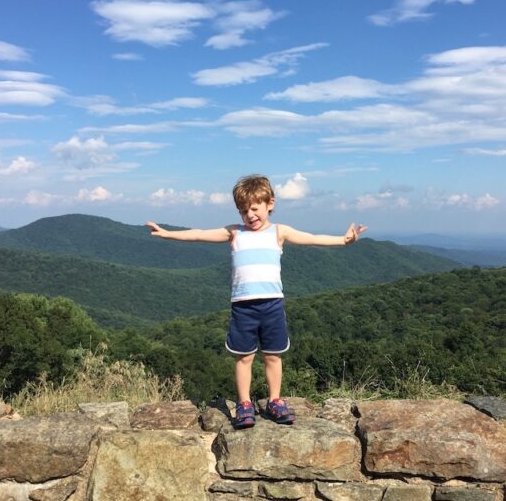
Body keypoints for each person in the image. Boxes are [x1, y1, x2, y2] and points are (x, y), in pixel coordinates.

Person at [146, 174, 366, 428]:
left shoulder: (279, 232)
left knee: (273, 356)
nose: (249, 215)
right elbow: (199, 234)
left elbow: (313, 238)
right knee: (244, 357)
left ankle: (274, 400)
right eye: (243, 210)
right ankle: (245, 404)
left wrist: (344, 240)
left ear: (269, 203)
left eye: (254, 208)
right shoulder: (234, 233)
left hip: (272, 305)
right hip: (243, 307)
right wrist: (167, 234)